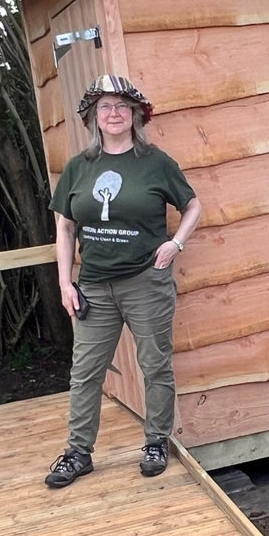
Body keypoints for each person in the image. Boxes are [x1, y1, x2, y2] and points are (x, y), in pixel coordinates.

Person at [44, 75, 202, 488]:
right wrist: (65, 283)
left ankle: (156, 442)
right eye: (105, 107)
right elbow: (65, 228)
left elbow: (192, 205)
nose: (113, 114)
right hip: (94, 287)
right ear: (93, 117)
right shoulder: (79, 167)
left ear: (135, 115)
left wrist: (176, 244)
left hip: (145, 283)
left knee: (154, 365)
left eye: (121, 106)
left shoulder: (155, 162)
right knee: (85, 372)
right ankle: (78, 452)